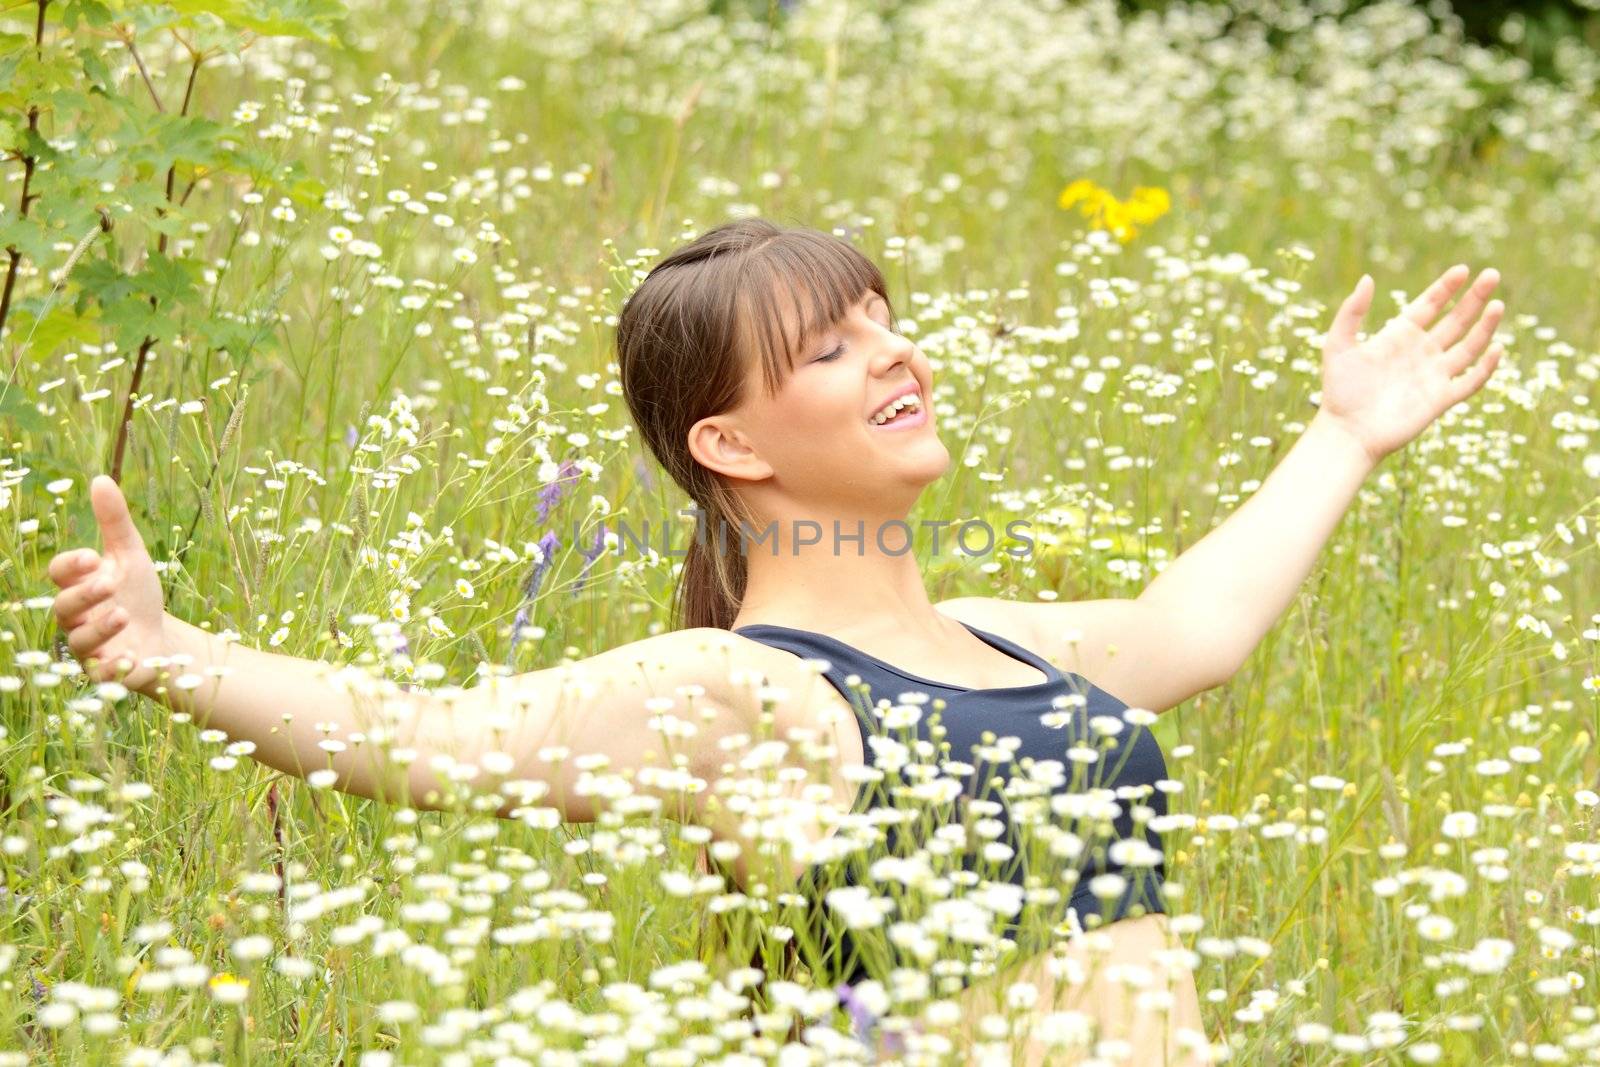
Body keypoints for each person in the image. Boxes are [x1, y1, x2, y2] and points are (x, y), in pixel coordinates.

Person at [48, 218, 1505, 1064]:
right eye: (832, 346)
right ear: (729, 441)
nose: (895, 354)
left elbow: (1203, 626)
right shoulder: (738, 691)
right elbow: (428, 738)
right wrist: (172, 652)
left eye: (886, 322)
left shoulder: (1003, 643)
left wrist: (1344, 434)